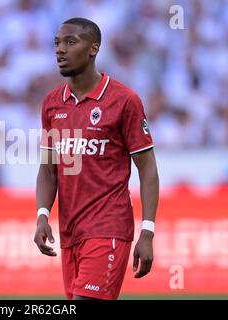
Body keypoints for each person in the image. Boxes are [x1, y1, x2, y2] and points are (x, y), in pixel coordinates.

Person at [34, 17, 159, 300]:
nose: (60, 50)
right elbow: (48, 169)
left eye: (70, 42)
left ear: (93, 49)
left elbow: (148, 169)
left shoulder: (124, 100)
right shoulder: (52, 104)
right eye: (57, 43)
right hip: (70, 234)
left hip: (109, 228)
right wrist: (42, 215)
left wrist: (147, 231)